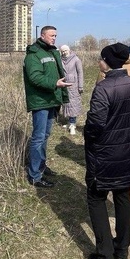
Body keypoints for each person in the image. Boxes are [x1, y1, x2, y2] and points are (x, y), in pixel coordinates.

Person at [84, 43, 130, 259]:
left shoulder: (103, 88)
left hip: (105, 155)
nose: (99, 61)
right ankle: (122, 250)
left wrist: (87, 137)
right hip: (128, 153)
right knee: (122, 196)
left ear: (107, 62)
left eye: (101, 58)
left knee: (96, 199)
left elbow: (95, 125)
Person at [23, 26, 71, 188]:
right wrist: (55, 83)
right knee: (38, 137)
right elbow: (35, 77)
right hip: (40, 101)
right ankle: (35, 175)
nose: (54, 38)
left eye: (56, 35)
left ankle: (41, 167)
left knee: (45, 135)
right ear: (42, 35)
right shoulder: (34, 55)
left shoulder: (52, 52)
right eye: (51, 35)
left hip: (51, 99)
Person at [59, 44, 84, 135]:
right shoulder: (60, 60)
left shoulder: (76, 59)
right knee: (66, 104)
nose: (64, 52)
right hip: (64, 85)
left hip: (74, 85)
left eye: (65, 50)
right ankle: (69, 121)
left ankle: (73, 125)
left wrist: (80, 86)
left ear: (69, 50)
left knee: (73, 105)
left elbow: (80, 73)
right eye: (62, 51)